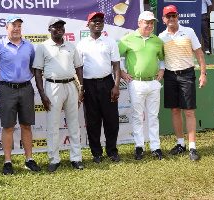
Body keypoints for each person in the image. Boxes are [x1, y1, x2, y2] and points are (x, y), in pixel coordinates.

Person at [0, 14, 40, 174]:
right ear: (7, 27)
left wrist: (22, 80)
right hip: (7, 89)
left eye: (19, 25)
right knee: (8, 126)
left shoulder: (29, 46)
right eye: (13, 25)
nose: (17, 28)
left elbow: (33, 68)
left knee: (26, 125)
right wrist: (7, 81)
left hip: (26, 89)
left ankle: (29, 159)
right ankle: (7, 162)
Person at [33, 17, 84, 172]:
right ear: (50, 29)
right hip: (52, 86)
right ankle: (54, 160)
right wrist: (42, 93)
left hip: (71, 85)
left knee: (74, 123)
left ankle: (76, 158)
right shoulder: (43, 47)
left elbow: (79, 67)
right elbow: (37, 70)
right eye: (56, 27)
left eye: (62, 26)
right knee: (53, 125)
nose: (60, 29)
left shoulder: (71, 46)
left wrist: (81, 88)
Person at [159, 5, 207, 161]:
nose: (171, 18)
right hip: (170, 76)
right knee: (175, 110)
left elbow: (199, 53)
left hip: (187, 74)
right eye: (168, 16)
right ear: (163, 19)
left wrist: (203, 73)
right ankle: (181, 144)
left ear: (178, 16)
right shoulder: (161, 37)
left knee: (189, 111)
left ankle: (192, 147)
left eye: (174, 15)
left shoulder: (189, 32)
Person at [118, 11, 165, 160]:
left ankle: (155, 147)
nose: (150, 25)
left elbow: (162, 59)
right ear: (139, 23)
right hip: (136, 83)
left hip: (153, 82)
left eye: (152, 23)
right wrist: (122, 72)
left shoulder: (157, 41)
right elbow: (116, 57)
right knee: (138, 116)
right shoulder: (127, 39)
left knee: (153, 117)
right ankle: (139, 146)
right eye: (147, 22)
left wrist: (162, 70)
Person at [76, 12, 121, 163]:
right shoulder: (82, 44)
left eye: (100, 21)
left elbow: (116, 65)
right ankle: (96, 153)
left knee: (111, 120)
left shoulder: (110, 42)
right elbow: (79, 68)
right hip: (89, 85)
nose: (97, 23)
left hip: (107, 83)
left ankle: (112, 151)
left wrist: (115, 85)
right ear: (88, 24)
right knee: (92, 121)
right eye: (94, 21)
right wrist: (81, 87)